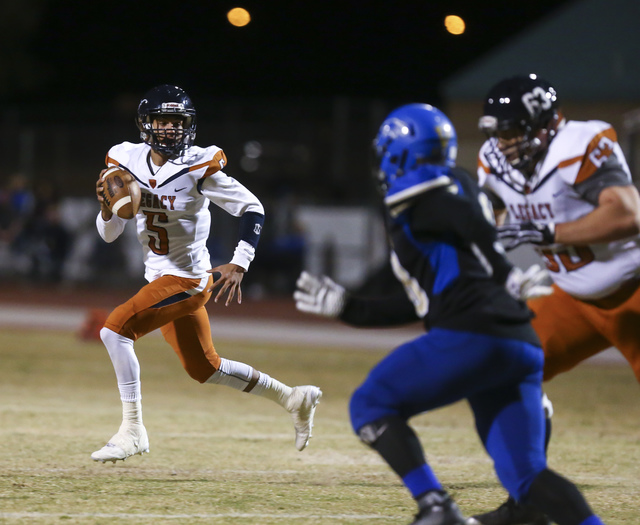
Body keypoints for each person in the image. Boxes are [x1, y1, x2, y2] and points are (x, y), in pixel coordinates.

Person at [294, 103, 606, 525]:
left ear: (399, 152)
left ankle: (435, 505)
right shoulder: (459, 184)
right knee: (528, 478)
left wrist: (505, 271)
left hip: (472, 335)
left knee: (370, 404)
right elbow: (421, 299)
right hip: (520, 343)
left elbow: (459, 219)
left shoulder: (422, 193)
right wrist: (348, 308)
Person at [91, 84, 321, 463]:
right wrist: (105, 210)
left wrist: (240, 260)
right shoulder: (125, 160)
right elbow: (110, 233)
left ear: (189, 126)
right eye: (162, 122)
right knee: (205, 368)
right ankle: (292, 397)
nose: (170, 130)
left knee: (114, 330)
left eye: (177, 122)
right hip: (159, 279)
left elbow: (254, 208)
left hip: (188, 280)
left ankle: (133, 430)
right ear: (146, 126)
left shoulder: (198, 166)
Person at [467, 73, 640, 525]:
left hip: (634, 290)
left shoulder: (580, 144)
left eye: (511, 131)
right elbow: (499, 217)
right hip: (574, 296)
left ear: (544, 125)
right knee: (500, 371)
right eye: (497, 132)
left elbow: (627, 213)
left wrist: (549, 233)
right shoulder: (494, 161)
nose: (502, 143)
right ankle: (529, 504)